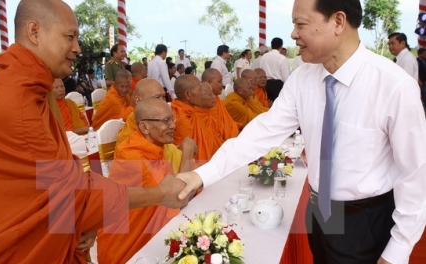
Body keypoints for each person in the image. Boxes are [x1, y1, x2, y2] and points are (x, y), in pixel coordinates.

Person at [175, 1, 426, 263]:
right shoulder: (302, 78)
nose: (293, 34)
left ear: (338, 22)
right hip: (318, 212)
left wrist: (398, 250)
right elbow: (262, 132)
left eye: (300, 24)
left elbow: (415, 173)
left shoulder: (394, 86)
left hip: (365, 221)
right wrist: (201, 174)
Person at [0, 1, 190, 263]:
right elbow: (69, 193)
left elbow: (53, 178)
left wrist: (80, 221)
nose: (77, 48)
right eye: (70, 37)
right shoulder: (16, 98)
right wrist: (159, 193)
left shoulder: (28, 85)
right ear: (34, 32)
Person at [96, 98, 197, 264]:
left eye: (172, 119)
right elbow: (180, 196)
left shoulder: (156, 144)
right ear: (144, 127)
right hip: (127, 246)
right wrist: (188, 151)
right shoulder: (132, 155)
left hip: (155, 224)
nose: (172, 125)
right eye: (166, 121)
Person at [172, 75, 221, 163]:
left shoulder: (192, 111)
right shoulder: (180, 118)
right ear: (188, 95)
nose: (203, 93)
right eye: (200, 90)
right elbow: (184, 155)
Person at [201, 68, 241, 141]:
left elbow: (227, 122)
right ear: (208, 82)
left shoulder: (217, 99)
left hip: (233, 137)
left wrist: (240, 126)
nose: (222, 84)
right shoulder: (203, 106)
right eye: (219, 81)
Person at [260, 37, 290, 102]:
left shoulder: (264, 56)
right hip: (277, 85)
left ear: (271, 46)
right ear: (281, 46)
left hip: (266, 84)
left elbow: (261, 70)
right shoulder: (282, 58)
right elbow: (286, 77)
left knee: (267, 105)